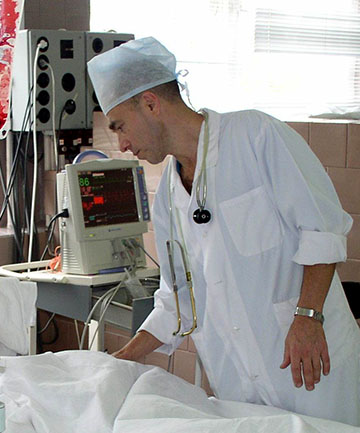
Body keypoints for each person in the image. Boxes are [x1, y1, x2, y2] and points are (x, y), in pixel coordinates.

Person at [87, 36, 360, 426]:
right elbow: (176, 303)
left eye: (120, 127)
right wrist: (118, 362)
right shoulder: (168, 198)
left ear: (150, 103)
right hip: (239, 388)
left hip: (308, 366)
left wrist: (308, 317)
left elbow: (323, 230)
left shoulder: (255, 137)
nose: (122, 143)